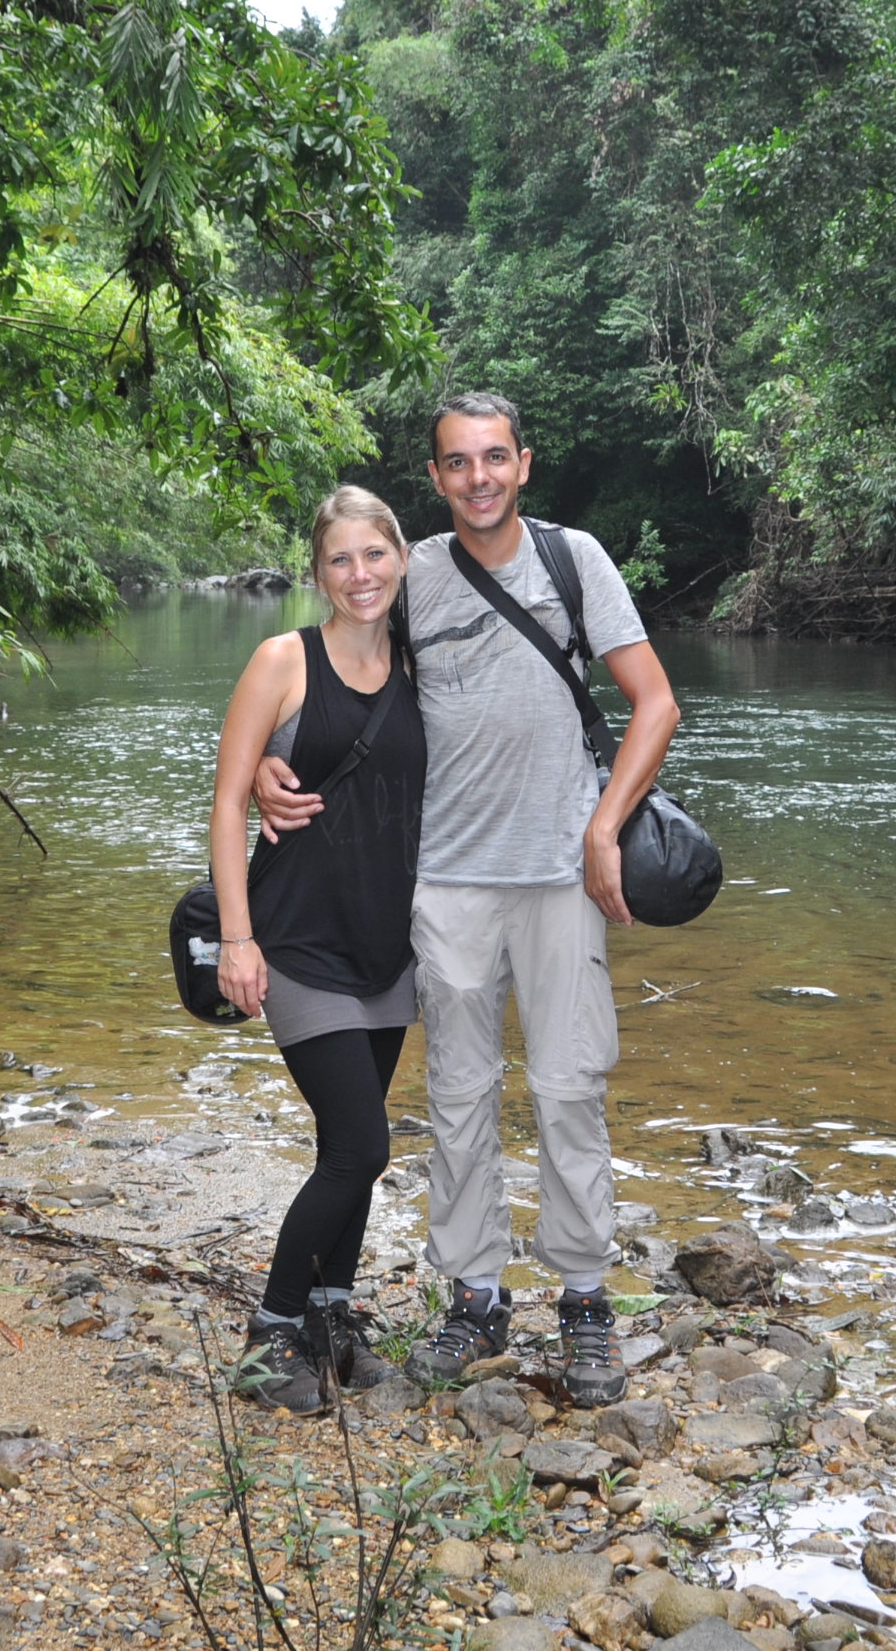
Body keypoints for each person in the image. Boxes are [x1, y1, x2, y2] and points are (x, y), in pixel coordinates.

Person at [257, 392, 680, 1409]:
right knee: (457, 1098)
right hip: (442, 882)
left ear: (523, 464)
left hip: (560, 877)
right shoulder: (418, 575)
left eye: (495, 458)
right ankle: (476, 1295)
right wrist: (273, 763)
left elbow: (655, 702)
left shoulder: (576, 561)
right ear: (437, 479)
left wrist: (601, 828)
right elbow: (340, 674)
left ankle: (583, 1301)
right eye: (458, 462)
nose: (479, 476)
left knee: (571, 1087)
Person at [206, 485, 427, 1412]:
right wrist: (237, 939)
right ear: (318, 572)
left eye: (373, 556)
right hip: (296, 940)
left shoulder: (424, 663)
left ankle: (333, 1327)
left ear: (401, 559)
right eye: (340, 560)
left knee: (354, 1144)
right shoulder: (282, 660)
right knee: (360, 1148)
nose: (359, 575)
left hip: (391, 947)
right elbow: (225, 803)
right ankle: (269, 1336)